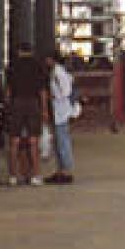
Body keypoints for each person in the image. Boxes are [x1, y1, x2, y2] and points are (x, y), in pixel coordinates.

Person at [5, 42, 49, 186]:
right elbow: (42, 91)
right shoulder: (38, 66)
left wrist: (8, 106)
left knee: (14, 141)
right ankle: (35, 176)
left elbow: (8, 90)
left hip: (17, 102)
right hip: (33, 103)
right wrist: (44, 109)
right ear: (31, 51)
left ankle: (13, 176)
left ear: (19, 51)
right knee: (33, 140)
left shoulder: (12, 66)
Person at [45, 51, 76, 184]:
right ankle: (61, 169)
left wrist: (53, 96)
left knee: (62, 141)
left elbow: (66, 91)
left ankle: (66, 170)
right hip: (58, 110)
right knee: (59, 141)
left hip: (61, 110)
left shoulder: (59, 73)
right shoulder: (56, 72)